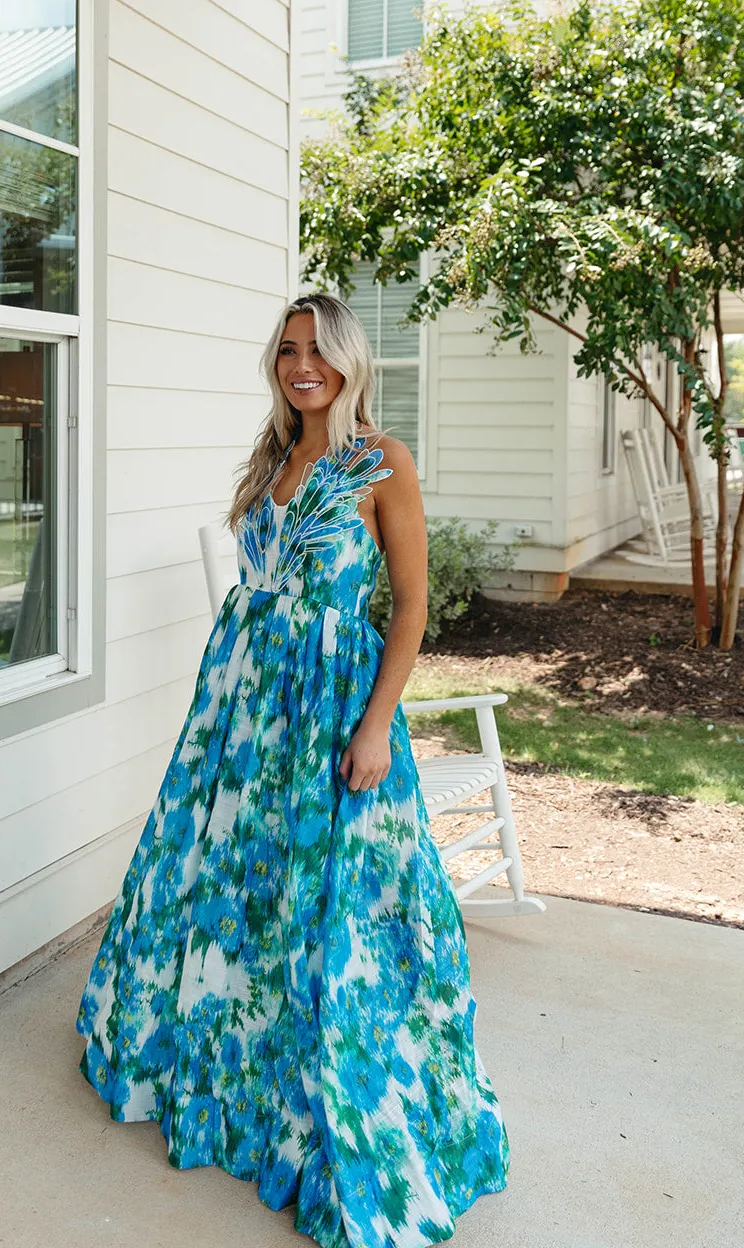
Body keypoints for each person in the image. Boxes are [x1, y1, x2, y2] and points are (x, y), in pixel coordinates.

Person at [75, 292, 510, 1248]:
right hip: (240, 715)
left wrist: (374, 726)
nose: (300, 365)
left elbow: (409, 608)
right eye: (286, 351)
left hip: (330, 711)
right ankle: (234, 1075)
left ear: (351, 360)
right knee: (234, 888)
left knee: (330, 908)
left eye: (317, 351)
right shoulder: (273, 460)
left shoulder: (380, 462)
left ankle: (328, 1107)